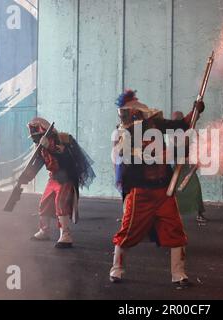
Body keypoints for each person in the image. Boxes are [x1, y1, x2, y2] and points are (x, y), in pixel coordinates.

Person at [110, 90, 205, 287]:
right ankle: (117, 269)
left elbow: (181, 126)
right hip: (141, 192)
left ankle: (178, 274)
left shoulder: (156, 124)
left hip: (163, 191)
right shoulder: (124, 134)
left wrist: (195, 111)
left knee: (175, 230)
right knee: (128, 230)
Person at [26, 117, 95, 248]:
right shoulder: (41, 146)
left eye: (37, 135)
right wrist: (27, 176)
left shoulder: (63, 139)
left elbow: (67, 160)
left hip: (66, 177)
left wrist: (51, 149)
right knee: (44, 203)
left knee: (61, 203)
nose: (35, 139)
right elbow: (40, 162)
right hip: (53, 177)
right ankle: (44, 230)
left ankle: (66, 234)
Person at [170, 111, 207, 223]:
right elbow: (173, 148)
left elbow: (197, 145)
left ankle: (200, 213)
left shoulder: (191, 132)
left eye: (179, 119)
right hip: (176, 166)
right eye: (175, 120)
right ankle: (170, 215)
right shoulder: (172, 133)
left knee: (195, 188)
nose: (177, 122)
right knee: (172, 192)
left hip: (187, 166)